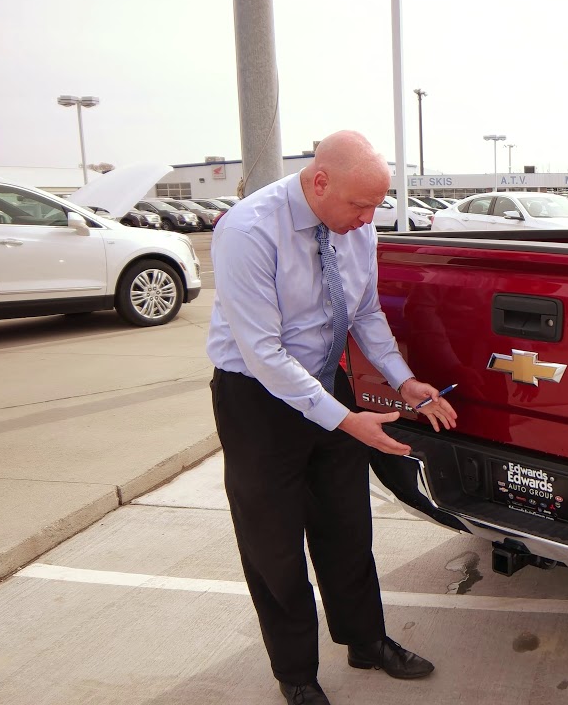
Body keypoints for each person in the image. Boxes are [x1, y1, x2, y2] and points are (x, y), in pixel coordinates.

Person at [207, 130, 457, 705]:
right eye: (360, 205)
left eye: (377, 205)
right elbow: (262, 352)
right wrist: (347, 421)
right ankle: (296, 674)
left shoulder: (356, 226)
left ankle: (366, 641)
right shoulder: (249, 231)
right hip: (257, 399)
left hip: (327, 382)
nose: (370, 219)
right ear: (319, 183)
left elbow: (365, 311)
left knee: (346, 526)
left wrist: (403, 380)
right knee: (274, 544)